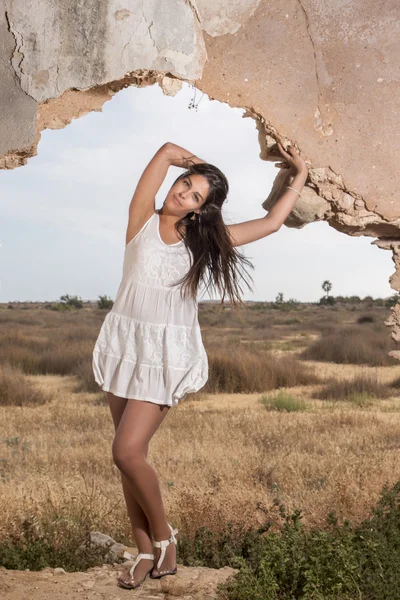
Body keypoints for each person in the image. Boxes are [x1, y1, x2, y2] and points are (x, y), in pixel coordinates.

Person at [92, 140, 308, 590]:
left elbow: (270, 223)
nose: (182, 194)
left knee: (126, 452)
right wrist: (197, 166)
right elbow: (166, 150)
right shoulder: (141, 220)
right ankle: (145, 551)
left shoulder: (202, 242)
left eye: (195, 196)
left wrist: (299, 175)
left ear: (200, 210)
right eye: (184, 185)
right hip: (125, 345)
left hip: (165, 355)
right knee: (130, 462)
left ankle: (166, 537)